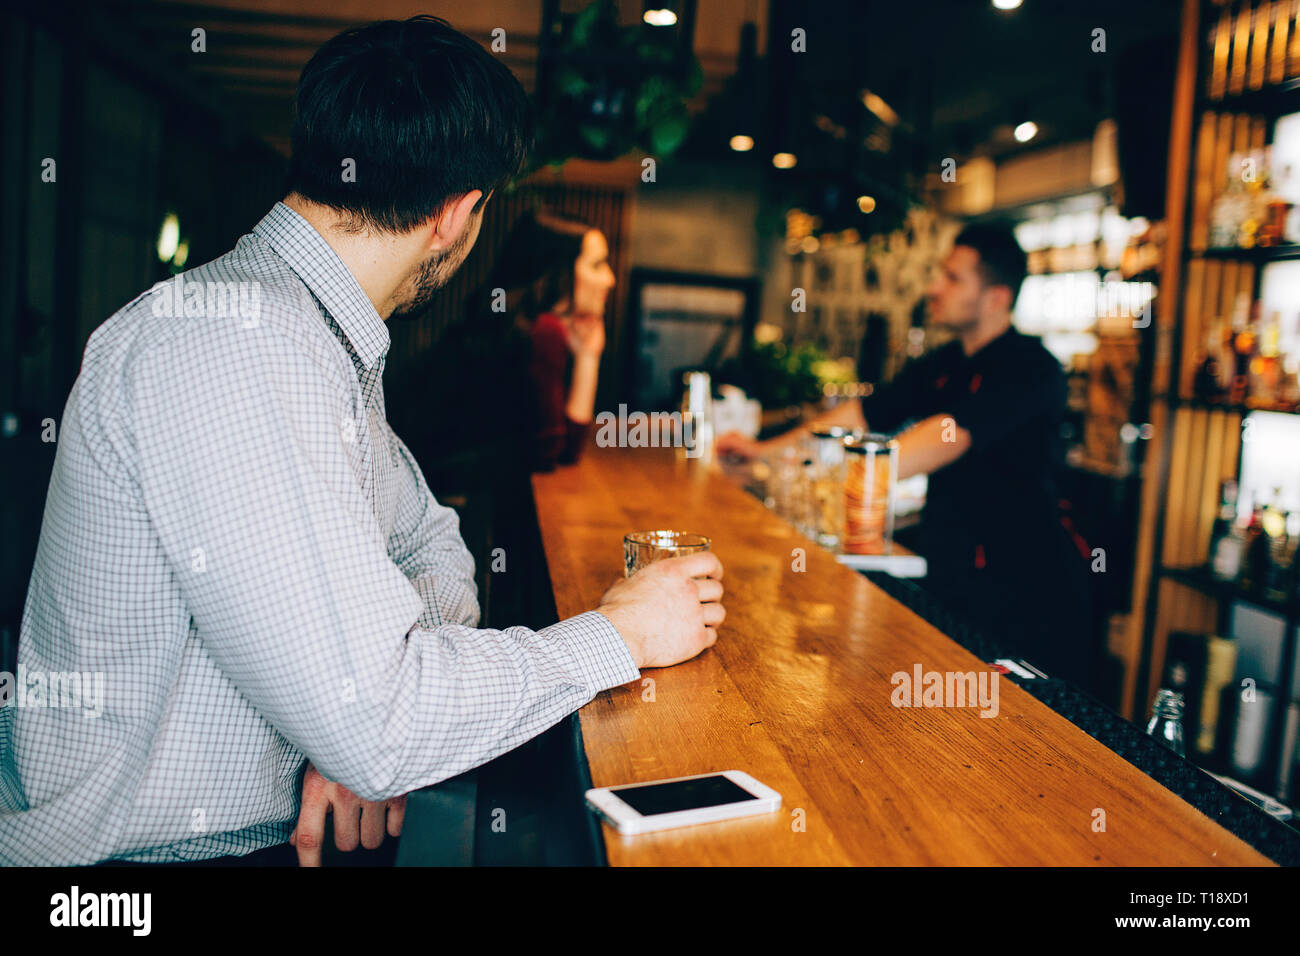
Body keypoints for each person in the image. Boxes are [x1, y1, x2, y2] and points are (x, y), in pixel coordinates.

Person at [0, 15, 724, 867]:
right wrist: (619, 635)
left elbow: (431, 539)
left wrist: (344, 723)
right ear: (457, 214)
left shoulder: (318, 333)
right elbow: (380, 727)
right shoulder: (239, 343)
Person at [720, 224, 1093, 688]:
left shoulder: (1032, 367)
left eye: (953, 278)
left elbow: (949, 434)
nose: (934, 287)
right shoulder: (944, 363)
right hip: (952, 570)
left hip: (1024, 589)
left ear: (997, 297)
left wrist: (827, 476)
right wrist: (762, 453)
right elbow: (860, 415)